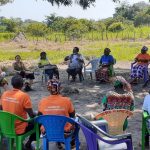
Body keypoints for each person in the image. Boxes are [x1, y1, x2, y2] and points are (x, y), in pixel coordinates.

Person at [38, 79, 75, 149]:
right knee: (75, 122)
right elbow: (72, 116)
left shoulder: (42, 102)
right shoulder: (67, 100)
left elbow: (40, 117)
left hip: (47, 132)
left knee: (53, 122)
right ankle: (72, 143)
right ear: (60, 88)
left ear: (48, 89)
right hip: (65, 132)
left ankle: (58, 142)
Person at [0, 75, 36, 149]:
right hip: (19, 129)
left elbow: (1, 110)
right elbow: (31, 115)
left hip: (6, 127)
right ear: (22, 85)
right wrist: (36, 114)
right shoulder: (24, 96)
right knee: (38, 122)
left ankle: (15, 144)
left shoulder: (4, 94)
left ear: (12, 84)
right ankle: (28, 144)